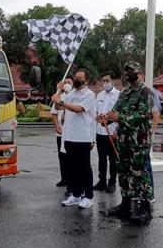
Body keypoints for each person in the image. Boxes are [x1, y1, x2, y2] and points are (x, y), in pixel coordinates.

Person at [102, 61, 154, 223]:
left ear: (138, 73)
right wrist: (107, 119)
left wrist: (120, 118)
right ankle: (125, 205)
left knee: (139, 173)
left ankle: (144, 208)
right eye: (125, 72)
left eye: (130, 71)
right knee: (123, 172)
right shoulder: (124, 92)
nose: (127, 74)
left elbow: (144, 115)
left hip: (139, 141)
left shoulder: (145, 91)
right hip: (124, 141)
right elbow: (116, 111)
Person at [52, 70, 97, 209]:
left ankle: (88, 196)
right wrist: (58, 92)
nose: (77, 80)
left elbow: (78, 109)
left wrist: (61, 102)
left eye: (80, 78)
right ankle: (76, 195)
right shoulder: (72, 93)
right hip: (69, 135)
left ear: (87, 81)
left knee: (84, 166)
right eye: (76, 77)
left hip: (82, 136)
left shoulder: (89, 95)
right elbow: (59, 105)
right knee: (72, 167)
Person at [93, 71, 120, 193]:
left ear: (113, 81)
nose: (105, 83)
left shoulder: (119, 95)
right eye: (103, 81)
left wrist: (117, 131)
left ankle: (112, 182)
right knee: (101, 159)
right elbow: (95, 113)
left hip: (112, 132)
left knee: (113, 159)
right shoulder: (99, 95)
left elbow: (120, 115)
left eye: (107, 81)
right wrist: (97, 118)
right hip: (100, 132)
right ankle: (102, 181)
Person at [139, 73, 162, 198]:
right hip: (131, 136)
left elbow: (156, 112)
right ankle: (138, 191)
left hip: (144, 135)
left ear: (142, 76)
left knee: (145, 164)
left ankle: (149, 193)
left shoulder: (148, 91)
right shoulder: (127, 92)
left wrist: (152, 131)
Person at [51, 76, 74, 190]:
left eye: (69, 82)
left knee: (71, 157)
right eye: (65, 82)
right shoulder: (60, 96)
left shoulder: (74, 96)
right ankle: (64, 178)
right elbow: (54, 113)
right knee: (62, 156)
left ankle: (72, 180)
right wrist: (57, 126)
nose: (67, 84)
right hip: (61, 131)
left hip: (71, 133)